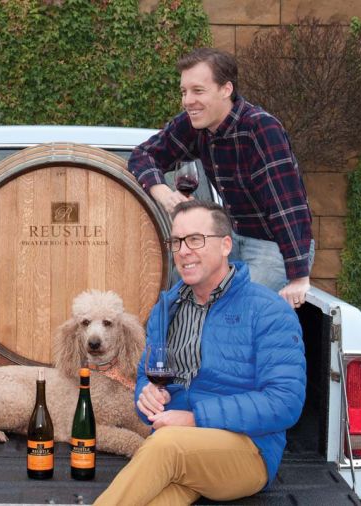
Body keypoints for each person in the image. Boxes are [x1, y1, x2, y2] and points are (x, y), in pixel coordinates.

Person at [94, 200, 306, 505]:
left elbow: (285, 402)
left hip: (248, 449)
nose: (183, 250)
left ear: (225, 246)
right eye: (177, 241)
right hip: (180, 446)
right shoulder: (166, 309)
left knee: (166, 445)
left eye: (195, 239)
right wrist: (147, 393)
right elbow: (147, 375)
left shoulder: (268, 310)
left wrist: (195, 419)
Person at [128, 47, 313, 308]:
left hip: (274, 248)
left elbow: (288, 208)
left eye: (198, 91)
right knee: (197, 307)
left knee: (237, 315)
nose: (187, 101)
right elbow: (142, 155)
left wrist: (298, 277)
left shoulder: (260, 128)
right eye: (184, 92)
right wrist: (162, 192)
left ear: (226, 89)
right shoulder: (195, 125)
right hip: (232, 240)